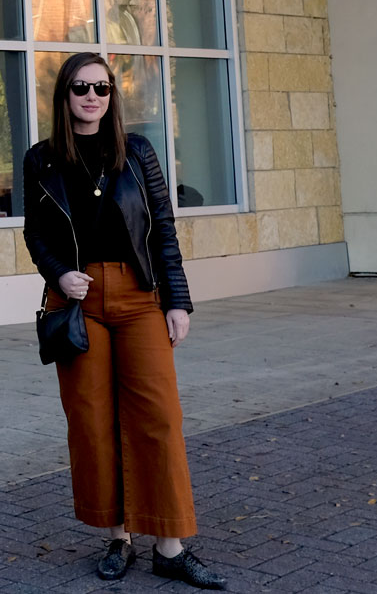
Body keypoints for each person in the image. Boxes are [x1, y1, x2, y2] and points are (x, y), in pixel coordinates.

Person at [22, 52, 226, 588]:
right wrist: (61, 273)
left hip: (139, 297)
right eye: (80, 87)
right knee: (91, 423)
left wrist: (177, 300)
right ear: (64, 95)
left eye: (102, 88)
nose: (92, 96)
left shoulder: (136, 153)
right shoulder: (42, 159)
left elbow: (162, 227)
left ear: (113, 96)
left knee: (159, 417)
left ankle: (170, 545)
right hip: (77, 301)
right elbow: (35, 234)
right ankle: (118, 537)